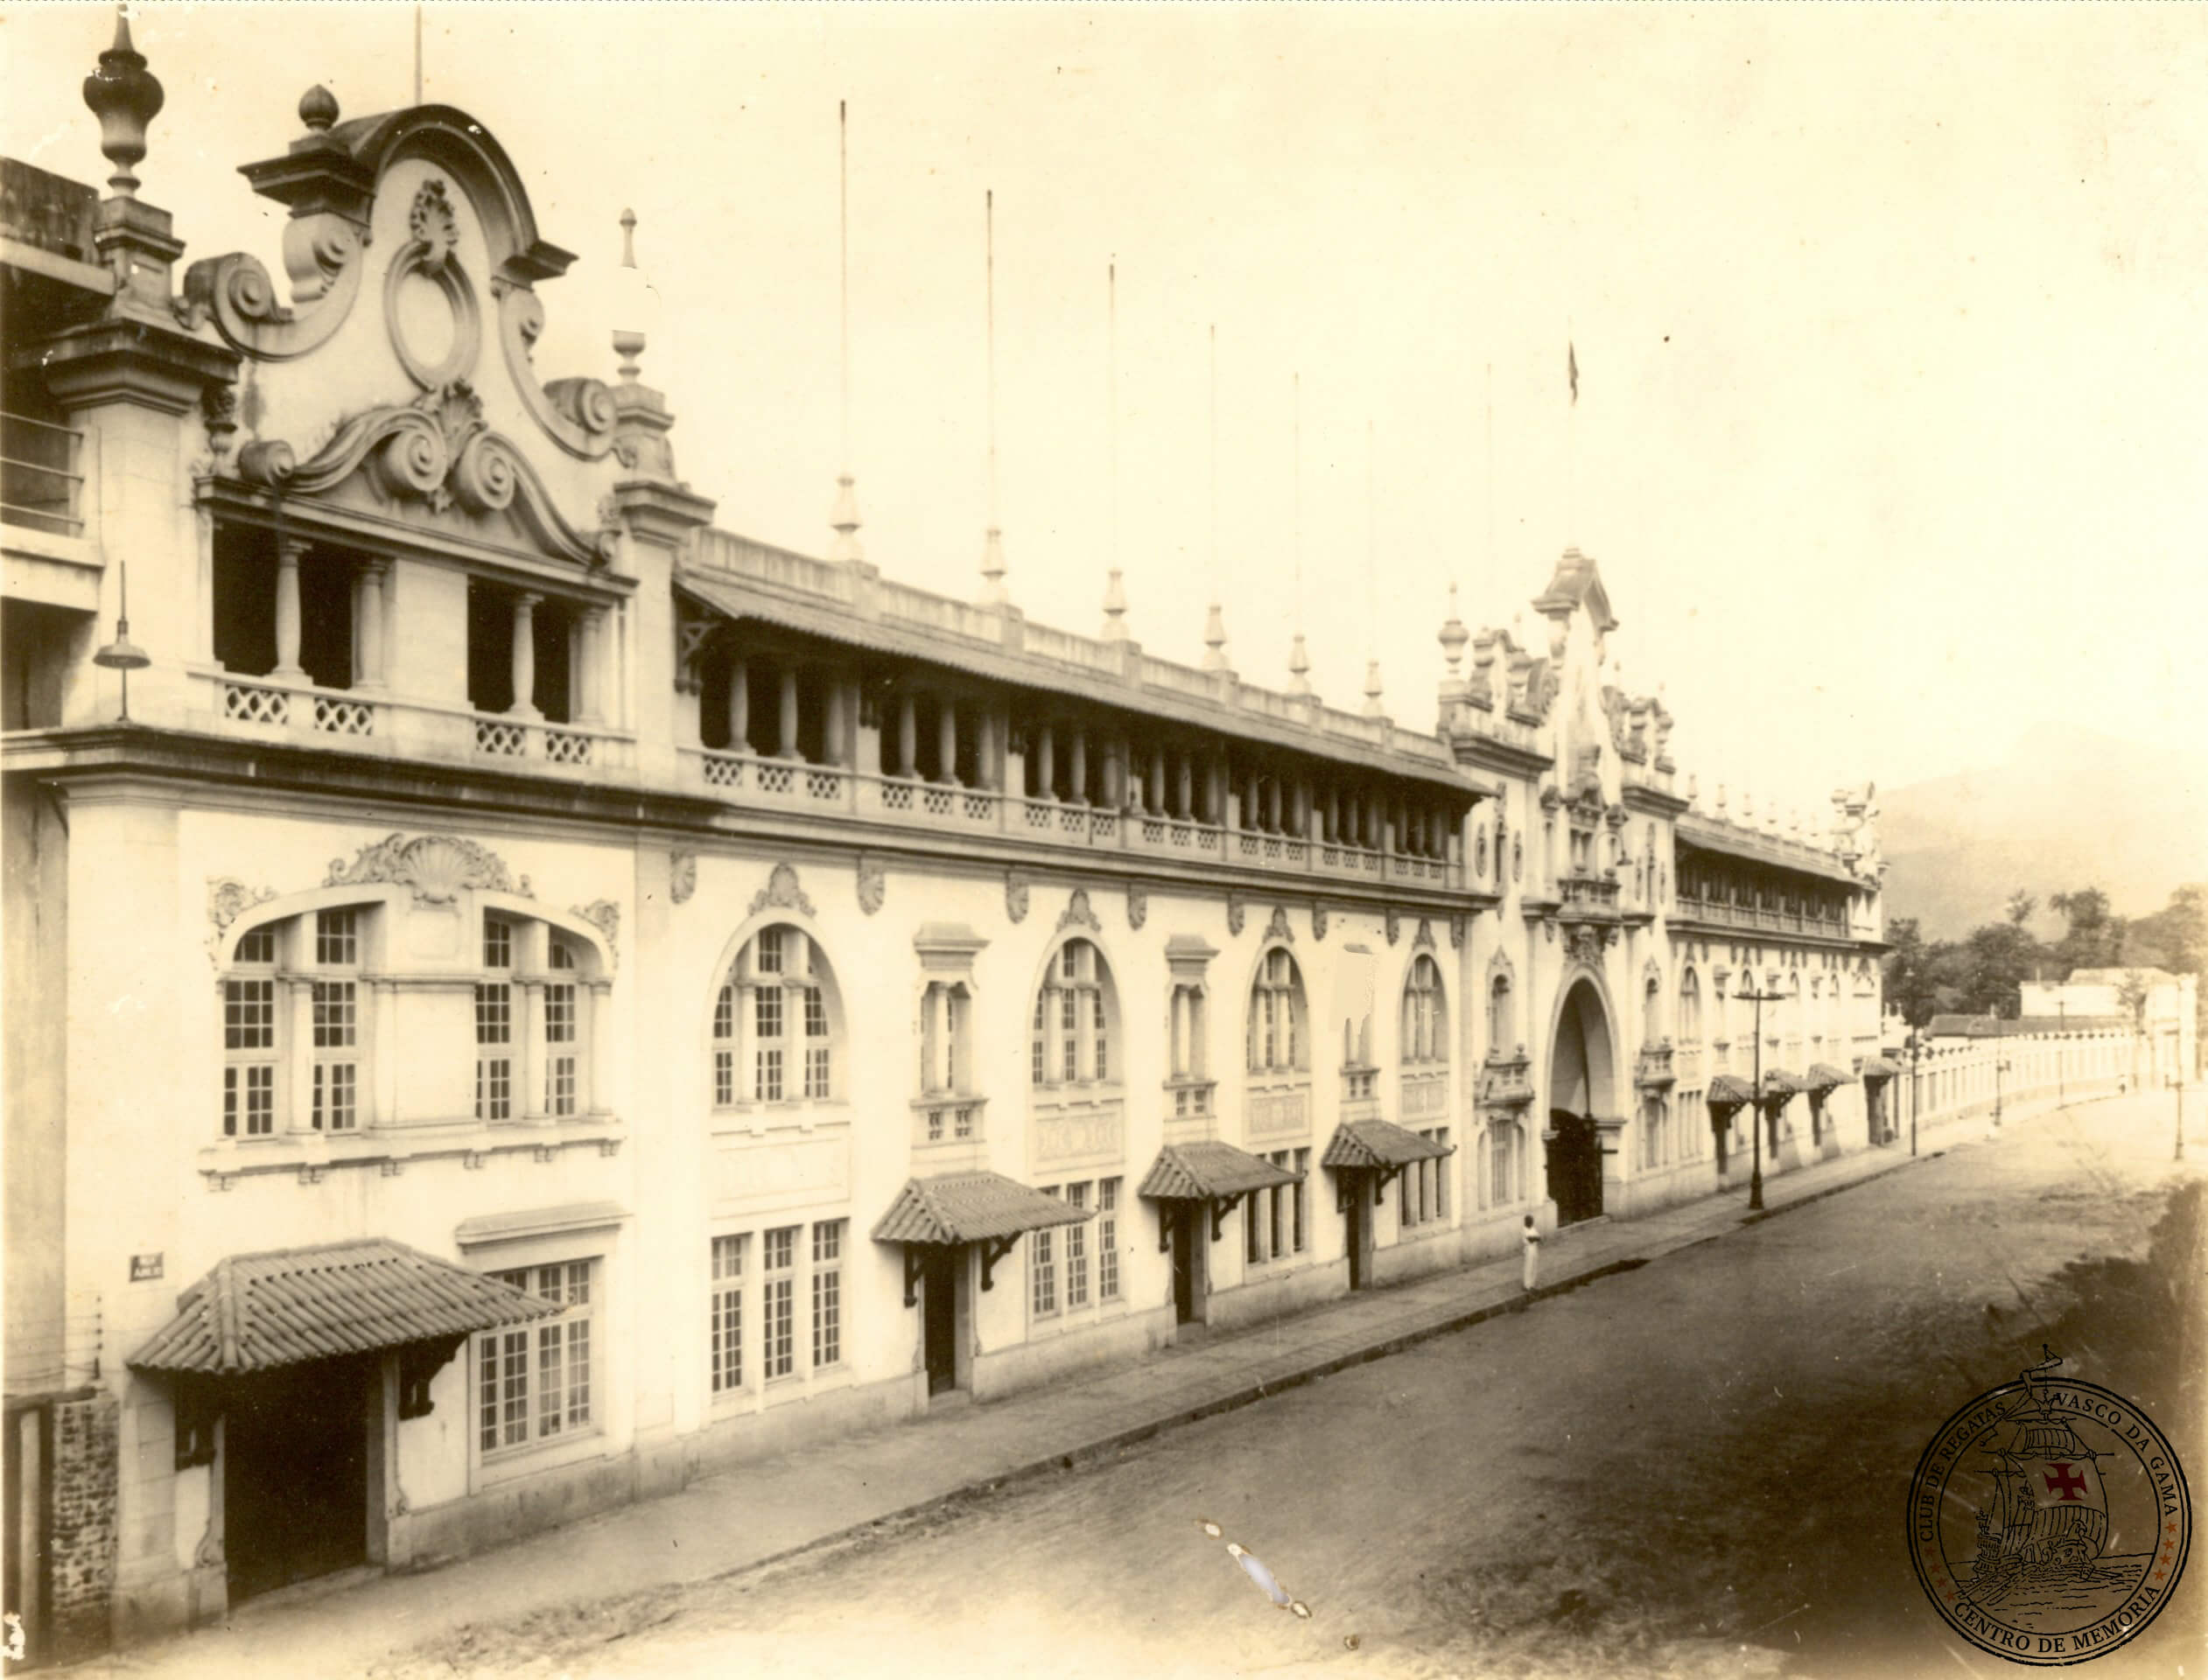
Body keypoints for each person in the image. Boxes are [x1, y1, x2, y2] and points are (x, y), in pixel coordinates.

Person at [1520, 1213, 1541, 1292]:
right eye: (1529, 1221)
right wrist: (1534, 1238)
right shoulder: (1524, 1230)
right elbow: (1530, 1240)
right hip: (1528, 1249)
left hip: (1534, 1248)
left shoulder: (1533, 1229)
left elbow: (1539, 1238)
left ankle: (1532, 1284)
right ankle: (1527, 1285)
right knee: (1528, 1267)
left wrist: (1534, 1238)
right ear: (1526, 1222)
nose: (1531, 1223)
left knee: (1534, 1266)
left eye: (1532, 1221)